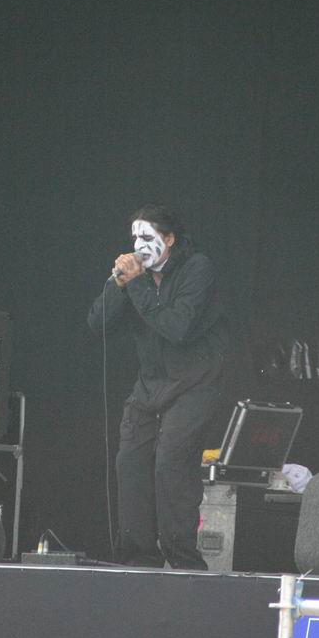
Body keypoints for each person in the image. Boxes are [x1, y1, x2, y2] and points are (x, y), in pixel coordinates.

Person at [88, 204, 228, 569]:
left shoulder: (197, 268)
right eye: (135, 237)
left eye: (147, 236)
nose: (139, 244)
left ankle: (183, 561)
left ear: (169, 239)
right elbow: (98, 324)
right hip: (151, 385)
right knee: (130, 462)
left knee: (171, 463)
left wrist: (136, 285)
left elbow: (177, 328)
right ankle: (138, 559)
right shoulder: (138, 279)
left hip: (196, 383)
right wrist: (118, 285)